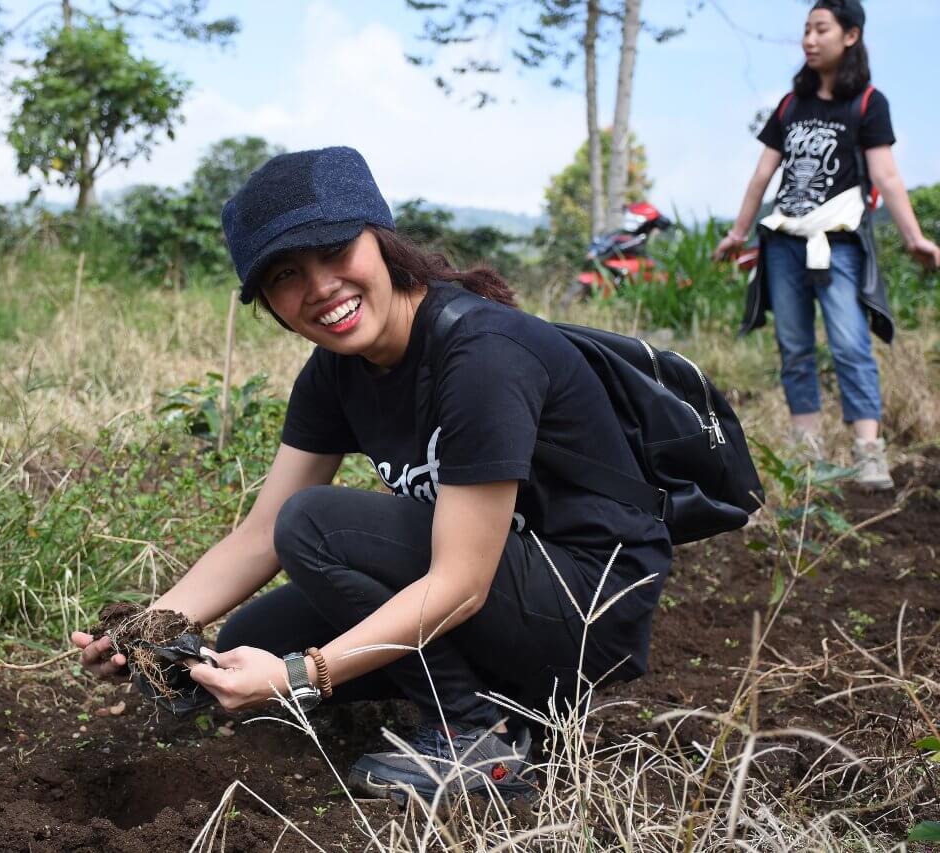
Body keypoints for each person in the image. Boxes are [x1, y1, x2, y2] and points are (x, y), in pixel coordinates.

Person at [72, 146, 671, 804]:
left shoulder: (482, 355)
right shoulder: (337, 373)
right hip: (508, 588)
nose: (320, 287)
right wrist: (146, 630)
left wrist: (304, 673)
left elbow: (461, 583)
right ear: (268, 302)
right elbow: (260, 535)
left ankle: (477, 733)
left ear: (382, 240)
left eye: (336, 250)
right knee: (253, 638)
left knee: (316, 526)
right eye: (285, 274)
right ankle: (509, 696)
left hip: (588, 610)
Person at [715, 0, 940, 490]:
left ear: (851, 35)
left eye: (821, 29)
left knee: (850, 344)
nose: (810, 40)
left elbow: (886, 176)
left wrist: (915, 238)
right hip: (783, 244)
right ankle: (806, 455)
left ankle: (868, 453)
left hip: (838, 244)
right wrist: (737, 233)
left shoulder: (868, 103)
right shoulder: (791, 105)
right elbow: (762, 175)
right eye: (806, 30)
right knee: (794, 347)